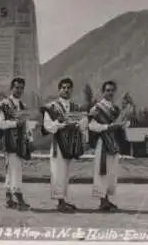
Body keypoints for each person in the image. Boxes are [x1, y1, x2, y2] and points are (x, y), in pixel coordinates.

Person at [40, 77, 88, 212]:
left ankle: (64, 199)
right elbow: (47, 125)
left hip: (71, 143)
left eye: (69, 88)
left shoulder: (75, 107)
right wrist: (62, 125)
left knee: (66, 173)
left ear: (72, 90)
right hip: (58, 143)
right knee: (58, 172)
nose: (66, 90)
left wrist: (79, 124)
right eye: (64, 88)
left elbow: (84, 122)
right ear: (59, 90)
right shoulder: (52, 107)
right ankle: (60, 202)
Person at [0, 77, 34, 211]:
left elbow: (26, 126)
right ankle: (18, 196)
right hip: (10, 141)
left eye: (21, 88)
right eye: (16, 87)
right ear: (11, 88)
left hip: (21, 142)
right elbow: (0, 123)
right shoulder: (3, 104)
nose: (19, 90)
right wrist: (15, 123)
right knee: (15, 169)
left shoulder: (23, 106)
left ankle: (9, 198)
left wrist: (30, 139)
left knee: (12, 170)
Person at [88, 80, 129, 211]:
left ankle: (106, 199)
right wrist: (107, 127)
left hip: (113, 143)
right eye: (107, 90)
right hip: (103, 142)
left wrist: (124, 123)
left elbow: (121, 126)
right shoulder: (96, 109)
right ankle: (102, 200)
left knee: (111, 171)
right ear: (103, 91)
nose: (110, 93)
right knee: (102, 170)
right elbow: (92, 126)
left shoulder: (115, 109)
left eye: (112, 90)